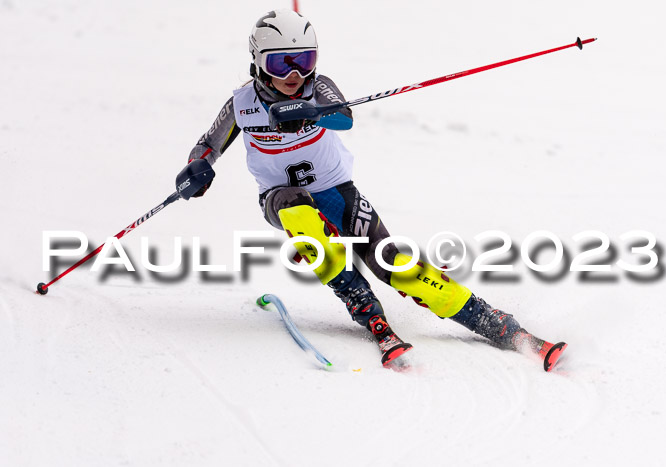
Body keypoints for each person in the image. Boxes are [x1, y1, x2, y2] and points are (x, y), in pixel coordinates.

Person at [178, 9, 566, 371]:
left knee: (394, 264)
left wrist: (307, 113)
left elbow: (343, 116)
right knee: (295, 209)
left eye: (305, 60)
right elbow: (208, 146)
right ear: (258, 61)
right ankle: (365, 308)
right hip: (278, 198)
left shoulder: (319, 89)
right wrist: (197, 168)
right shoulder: (241, 104)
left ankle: (497, 324)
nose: (295, 73)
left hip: (335, 191)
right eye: (282, 62)